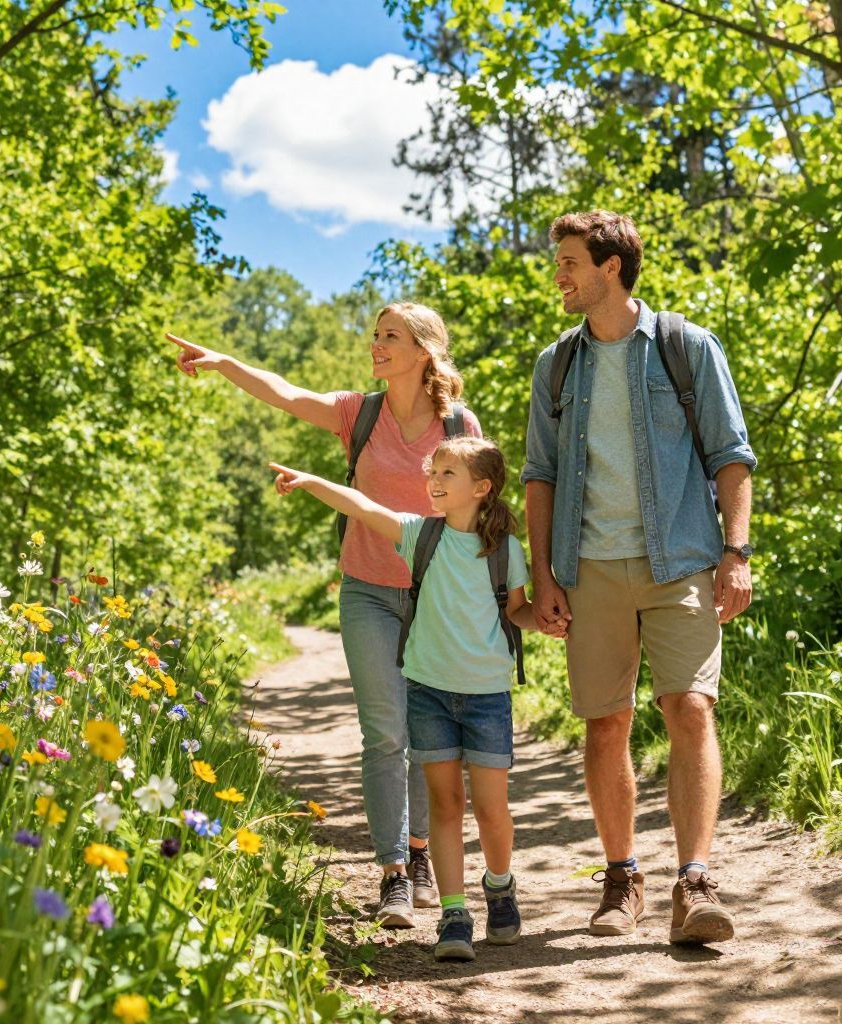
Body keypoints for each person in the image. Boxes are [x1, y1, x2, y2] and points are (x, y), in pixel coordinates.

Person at [168, 304, 483, 927]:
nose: (377, 344)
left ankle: (423, 854)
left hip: (434, 595)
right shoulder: (358, 413)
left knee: (428, 735)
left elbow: (477, 504)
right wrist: (226, 362)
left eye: (390, 336)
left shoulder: (457, 423)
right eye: (375, 335)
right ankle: (393, 871)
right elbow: (285, 393)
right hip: (366, 589)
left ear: (424, 350)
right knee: (385, 730)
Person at [522, 210, 756, 945]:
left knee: (690, 708)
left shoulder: (687, 347)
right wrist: (543, 576)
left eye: (567, 263)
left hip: (681, 560)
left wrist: (737, 552)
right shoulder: (557, 365)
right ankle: (622, 878)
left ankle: (695, 882)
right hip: (589, 569)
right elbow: (539, 476)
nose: (557, 276)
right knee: (605, 723)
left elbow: (730, 455)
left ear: (610, 267)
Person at [270, 435, 539, 962]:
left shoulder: (505, 549)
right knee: (445, 804)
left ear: (481, 488)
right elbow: (364, 507)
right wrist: (312, 482)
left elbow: (518, 611)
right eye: (432, 473)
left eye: (446, 476)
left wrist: (553, 621)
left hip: (487, 695)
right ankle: (454, 914)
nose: (433, 484)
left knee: (491, 810)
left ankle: (500, 888)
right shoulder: (421, 535)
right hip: (429, 691)